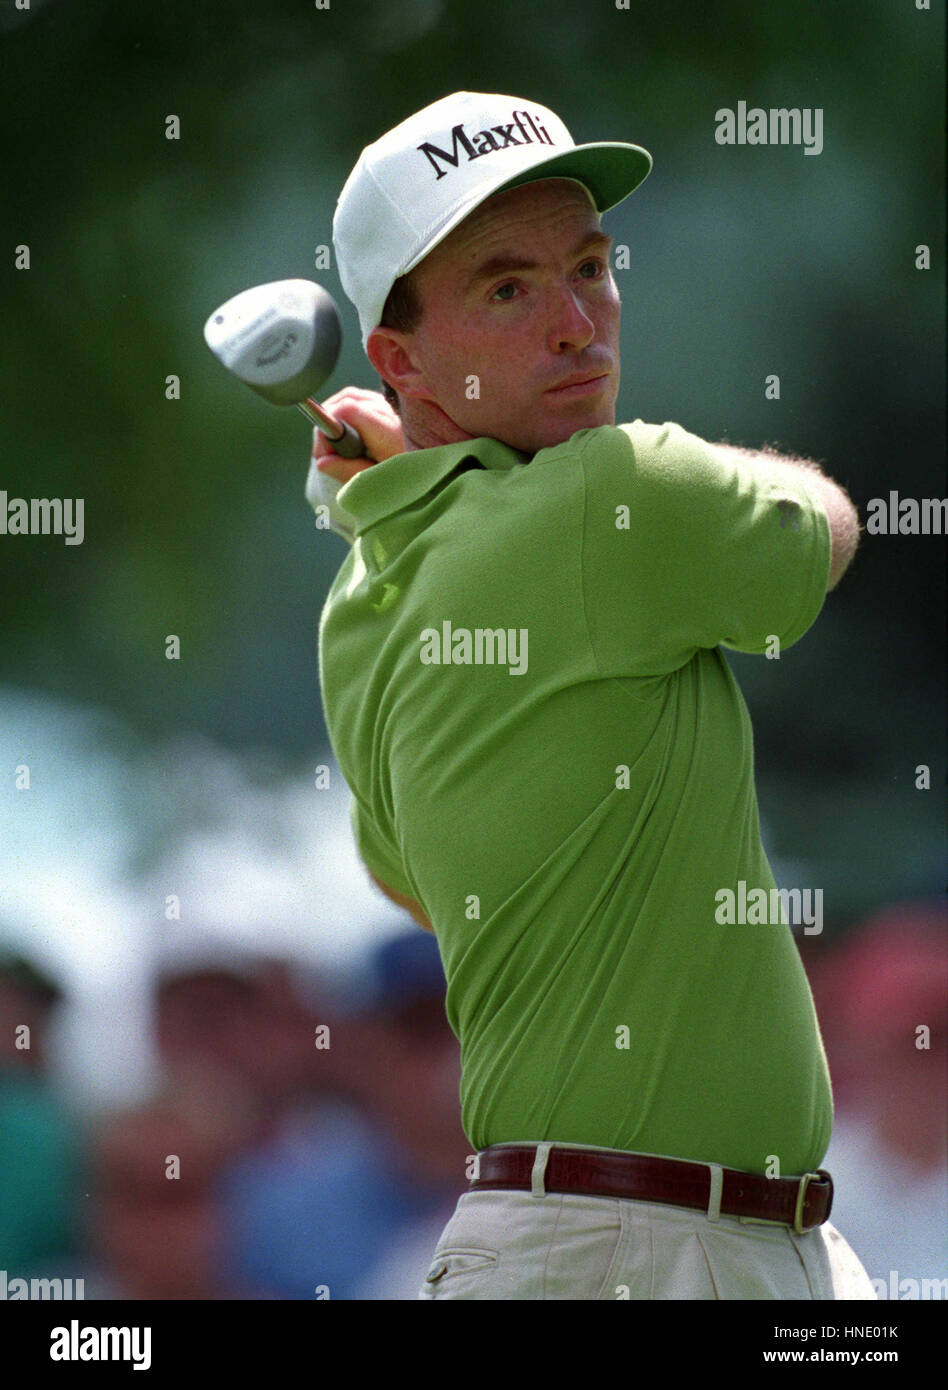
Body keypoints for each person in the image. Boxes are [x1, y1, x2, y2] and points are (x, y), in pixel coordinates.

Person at [309, 90, 873, 1299]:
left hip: (598, 1242)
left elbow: (414, 882)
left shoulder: (363, 598)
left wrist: (419, 506)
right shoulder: (617, 492)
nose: (579, 325)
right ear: (401, 361)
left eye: (591, 267)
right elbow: (822, 534)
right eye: (508, 289)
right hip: (659, 1248)